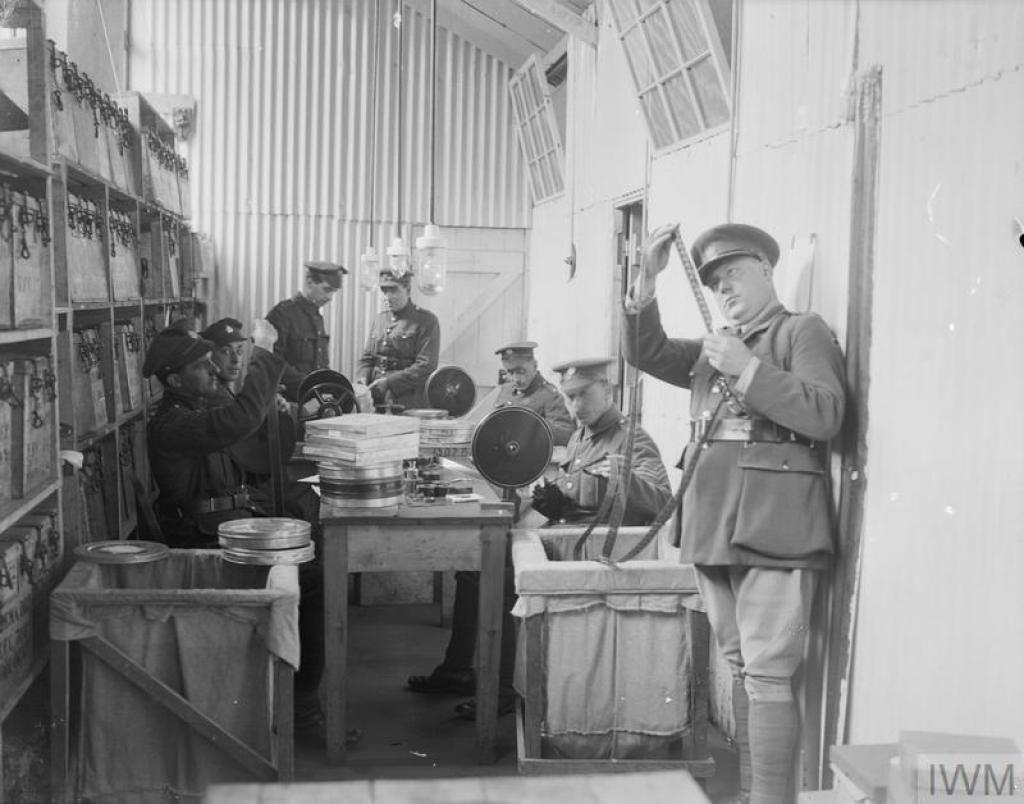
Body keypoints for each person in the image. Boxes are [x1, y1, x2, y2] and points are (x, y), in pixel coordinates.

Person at [622, 222, 846, 804]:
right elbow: (644, 351)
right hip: (712, 522)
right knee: (743, 665)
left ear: (767, 271)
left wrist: (747, 368)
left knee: (769, 669)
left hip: (777, 522)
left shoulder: (801, 331)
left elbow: (825, 415)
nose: (725, 289)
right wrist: (644, 282)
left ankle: (771, 799)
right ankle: (752, 795)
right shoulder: (715, 348)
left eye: (735, 274)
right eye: (716, 282)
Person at [407, 356, 672, 721]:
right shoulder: (582, 434)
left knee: (496, 578)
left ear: (608, 390)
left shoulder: (631, 439)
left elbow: (661, 503)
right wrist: (553, 496)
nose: (575, 407)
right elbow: (576, 489)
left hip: (591, 556)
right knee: (474, 569)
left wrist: (626, 481)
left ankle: (501, 691)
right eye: (569, 397)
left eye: (583, 395)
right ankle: (459, 669)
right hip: (566, 541)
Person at [143, 320, 337, 746]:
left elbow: (243, 419)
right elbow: (240, 418)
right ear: (175, 380)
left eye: (213, 363)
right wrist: (264, 353)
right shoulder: (175, 423)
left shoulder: (196, 408)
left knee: (313, 545)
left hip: (224, 528)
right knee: (315, 578)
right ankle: (302, 711)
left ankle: (295, 700)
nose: (214, 371)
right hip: (203, 542)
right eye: (201, 366)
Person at [355, 268, 440, 411]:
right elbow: (367, 358)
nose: (388, 296)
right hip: (376, 401)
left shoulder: (426, 321)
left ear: (407, 289)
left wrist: (389, 382)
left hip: (408, 402)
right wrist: (362, 379)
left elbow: (426, 365)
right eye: (384, 291)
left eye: (394, 290)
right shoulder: (380, 319)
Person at [266, 261, 345, 402]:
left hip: (313, 399)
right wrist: (310, 386)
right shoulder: (283, 314)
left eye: (334, 291)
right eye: (327, 289)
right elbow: (272, 362)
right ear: (309, 282)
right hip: (286, 402)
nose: (330, 297)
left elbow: (321, 365)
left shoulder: (317, 318)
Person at [492, 341, 574, 447]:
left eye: (521, 371)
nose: (516, 379)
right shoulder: (506, 389)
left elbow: (567, 435)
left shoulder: (550, 395)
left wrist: (532, 424)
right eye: (511, 372)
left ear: (535, 365)